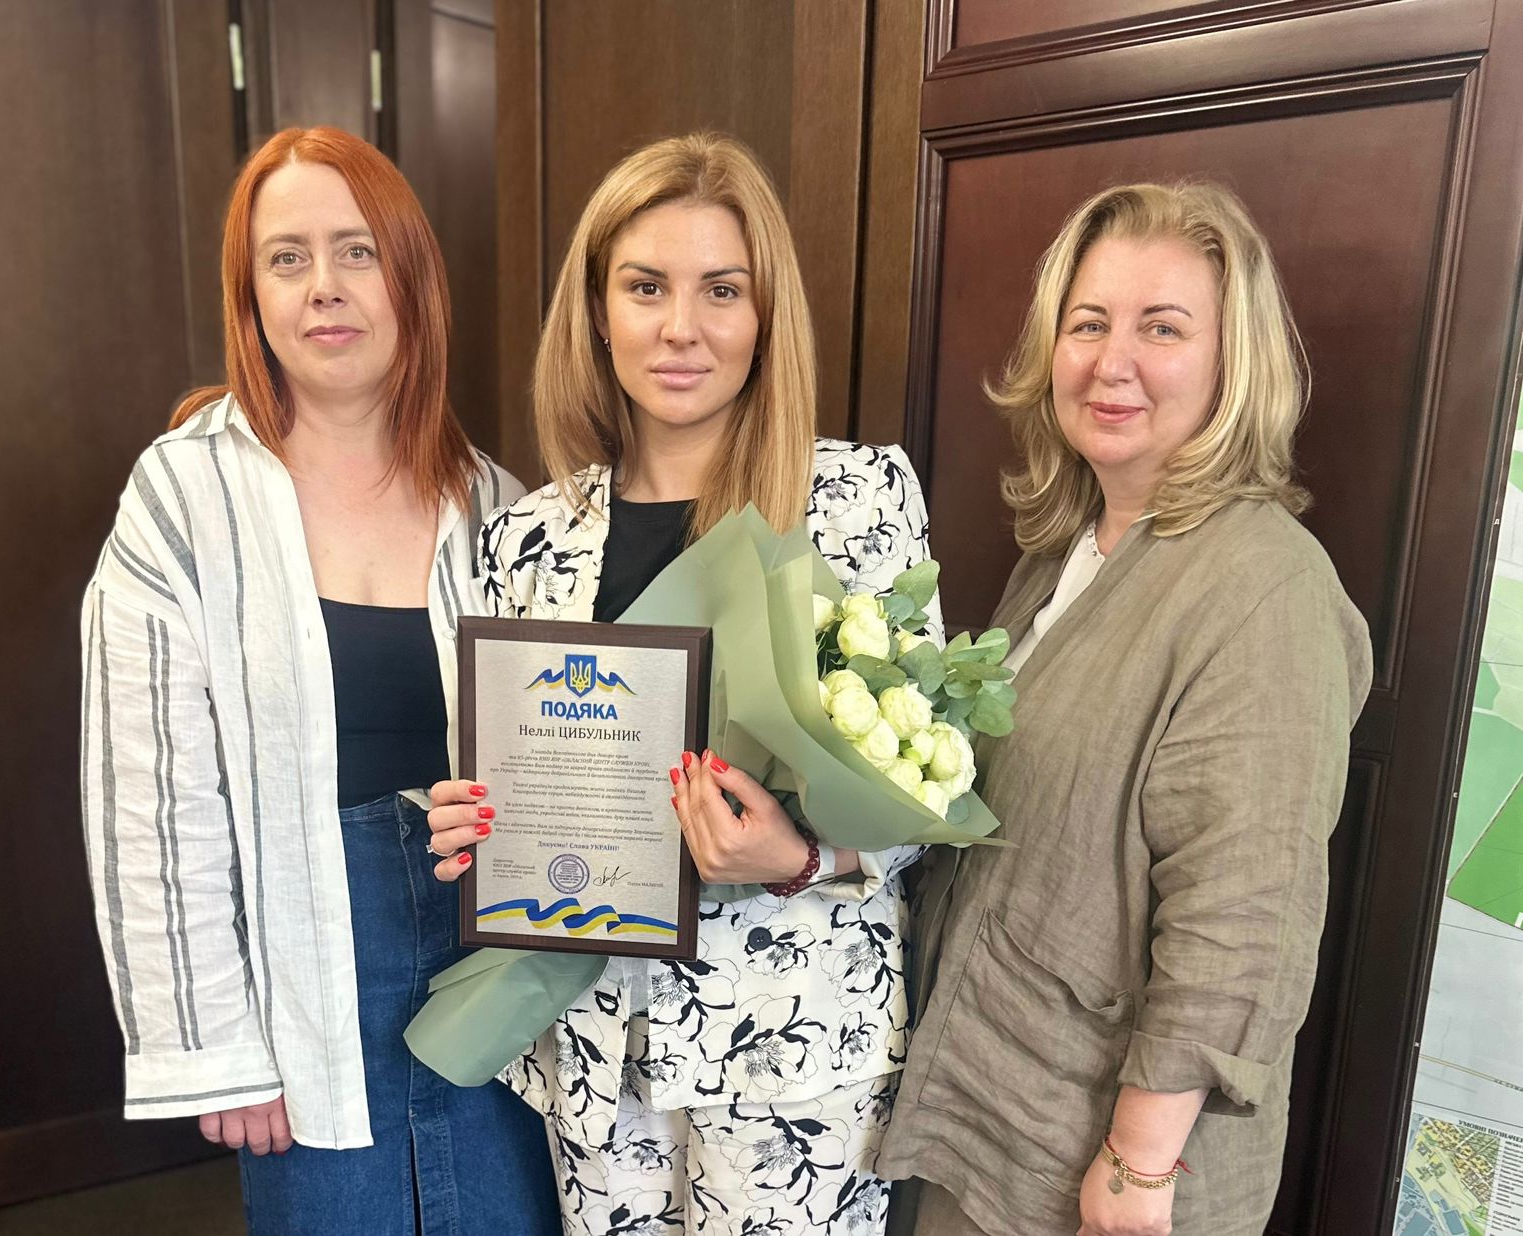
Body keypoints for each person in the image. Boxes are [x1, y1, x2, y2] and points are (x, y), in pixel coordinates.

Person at [425, 132, 935, 1236]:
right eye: (645, 287)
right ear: (597, 311)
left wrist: (800, 858)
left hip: (791, 1046)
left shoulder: (851, 501)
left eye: (722, 290)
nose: (680, 328)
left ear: (765, 316)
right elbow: (509, 779)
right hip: (592, 1054)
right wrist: (474, 825)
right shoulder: (526, 540)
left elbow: (928, 790)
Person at [79, 125, 558, 1235]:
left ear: (409, 277)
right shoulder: (182, 497)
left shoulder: (496, 503)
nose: (324, 287)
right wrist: (216, 1048)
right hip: (301, 991)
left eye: (356, 251)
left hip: (495, 979)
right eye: (286, 258)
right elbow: (147, 802)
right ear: (251, 297)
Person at [875, 181, 1372, 1236]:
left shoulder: (1264, 588)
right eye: (1089, 323)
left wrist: (1141, 1164)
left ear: (1233, 364)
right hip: (992, 1111)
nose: (1112, 361)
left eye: (1163, 328)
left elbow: (1245, 914)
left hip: (1107, 1169)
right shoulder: (1067, 552)